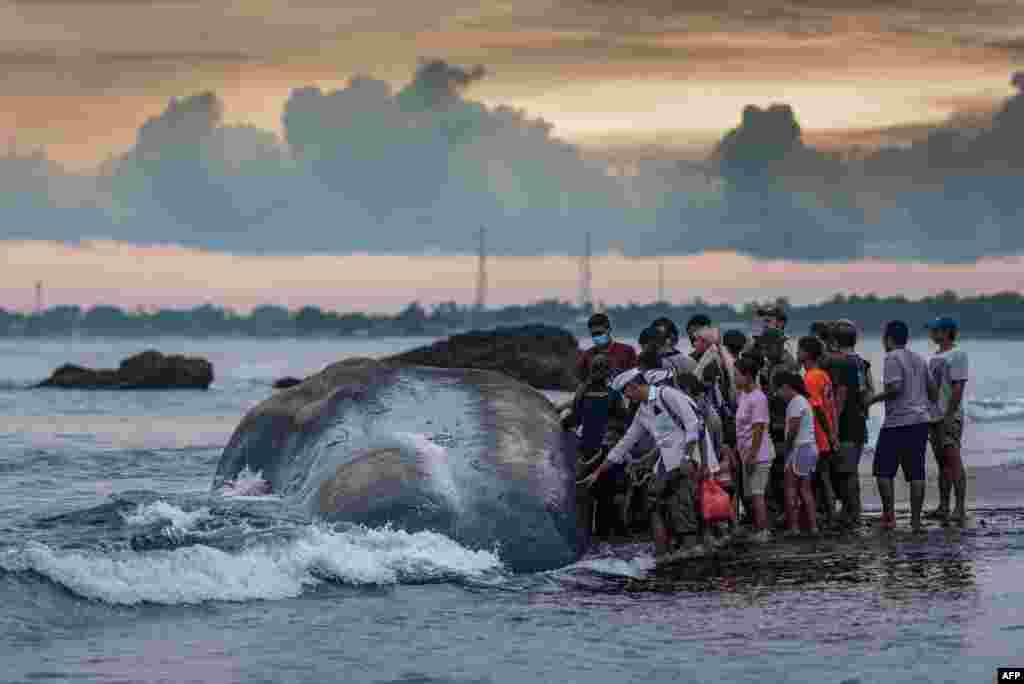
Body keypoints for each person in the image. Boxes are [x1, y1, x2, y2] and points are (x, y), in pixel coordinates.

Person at [579, 368, 705, 558]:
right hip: (666, 465)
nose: (625, 397)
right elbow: (624, 445)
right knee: (656, 506)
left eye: (625, 392)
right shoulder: (643, 411)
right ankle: (665, 554)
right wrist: (597, 472)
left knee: (682, 511)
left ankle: (689, 553)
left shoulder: (667, 395)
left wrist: (687, 458)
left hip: (685, 463)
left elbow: (693, 424)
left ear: (633, 386)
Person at [868, 320, 937, 532]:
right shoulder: (919, 358)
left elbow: (895, 388)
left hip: (898, 422)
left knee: (882, 470)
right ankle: (915, 522)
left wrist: (872, 399)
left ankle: (889, 517)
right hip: (920, 422)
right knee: (916, 472)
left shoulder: (891, 357)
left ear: (888, 338)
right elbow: (933, 393)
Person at [563, 355, 631, 538]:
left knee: (585, 493)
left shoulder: (582, 392)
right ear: (609, 373)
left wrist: (560, 423)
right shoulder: (614, 395)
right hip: (607, 450)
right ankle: (603, 535)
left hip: (587, 449)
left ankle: (582, 534)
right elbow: (623, 422)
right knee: (605, 496)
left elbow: (574, 419)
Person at [924, 317, 969, 525]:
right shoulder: (935, 356)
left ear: (946, 332)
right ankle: (943, 506)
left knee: (953, 461)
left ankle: (959, 508)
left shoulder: (957, 354)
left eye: (935, 330)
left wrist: (949, 416)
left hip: (948, 417)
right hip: (934, 417)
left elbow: (958, 387)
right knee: (943, 464)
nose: (931, 333)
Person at [829, 320, 873, 527]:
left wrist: (834, 428)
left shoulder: (841, 363)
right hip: (859, 422)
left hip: (845, 424)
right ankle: (853, 512)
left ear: (835, 340)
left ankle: (852, 514)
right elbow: (867, 393)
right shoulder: (862, 363)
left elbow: (841, 396)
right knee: (851, 471)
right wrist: (864, 411)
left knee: (846, 473)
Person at [756, 327, 801, 522]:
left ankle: (785, 514)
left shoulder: (782, 367)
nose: (764, 353)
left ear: (777, 346)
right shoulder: (778, 363)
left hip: (781, 426)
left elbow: (777, 398)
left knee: (781, 474)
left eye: (767, 348)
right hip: (779, 425)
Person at [798, 336, 840, 528]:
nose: (797, 353)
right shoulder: (823, 375)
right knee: (823, 479)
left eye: (799, 350)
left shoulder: (810, 378)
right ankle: (828, 516)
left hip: (817, 436)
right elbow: (831, 408)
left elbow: (817, 408)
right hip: (826, 434)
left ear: (806, 354)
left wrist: (829, 435)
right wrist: (833, 433)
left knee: (819, 480)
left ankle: (828, 517)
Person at [774, 371, 819, 537]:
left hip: (799, 448)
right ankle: (813, 526)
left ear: (786, 387)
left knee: (791, 488)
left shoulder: (795, 403)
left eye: (778, 390)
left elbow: (792, 431)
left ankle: (794, 527)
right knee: (806, 490)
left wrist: (786, 450)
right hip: (809, 447)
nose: (777, 395)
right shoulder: (803, 401)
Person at [734, 356, 774, 541]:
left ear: (748, 375)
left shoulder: (758, 398)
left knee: (758, 494)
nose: (735, 378)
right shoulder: (744, 394)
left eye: (737, 375)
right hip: (747, 453)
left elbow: (758, 428)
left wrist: (751, 456)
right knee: (752, 495)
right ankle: (758, 527)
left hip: (758, 454)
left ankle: (763, 531)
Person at [576, 313, 638, 383]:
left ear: (609, 330)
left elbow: (635, 377)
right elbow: (580, 380)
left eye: (599, 333)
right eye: (593, 334)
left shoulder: (627, 351)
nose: (597, 337)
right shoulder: (587, 355)